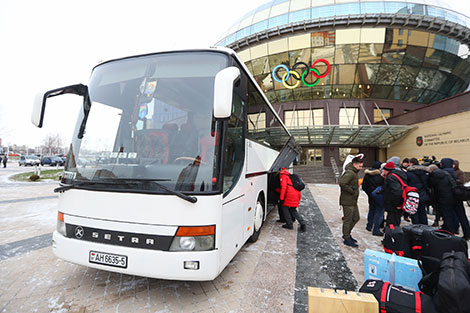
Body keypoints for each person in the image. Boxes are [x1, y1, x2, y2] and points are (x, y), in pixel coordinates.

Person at [428, 162, 459, 234]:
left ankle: (449, 231)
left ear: (431, 170)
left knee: (446, 215)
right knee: (449, 214)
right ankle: (450, 229)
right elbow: (453, 183)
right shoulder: (446, 173)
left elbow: (430, 185)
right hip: (449, 196)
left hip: (441, 197)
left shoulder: (433, 176)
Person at [339, 156, 364, 247]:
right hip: (348, 201)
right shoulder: (350, 173)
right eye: (359, 166)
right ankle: (346, 238)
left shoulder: (354, 172)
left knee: (356, 217)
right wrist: (351, 190)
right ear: (354, 164)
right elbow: (342, 183)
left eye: (361, 166)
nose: (361, 168)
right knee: (348, 220)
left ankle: (347, 234)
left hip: (352, 201)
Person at [279, 168, 306, 232]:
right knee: (292, 209)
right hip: (297, 194)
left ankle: (289, 224)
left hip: (290, 194)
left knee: (284, 207)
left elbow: (284, 188)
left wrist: (281, 198)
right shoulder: (289, 176)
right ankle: (302, 222)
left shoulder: (283, 176)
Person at [362, 161, 385, 236]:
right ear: (379, 168)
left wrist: (369, 193)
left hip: (370, 197)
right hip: (378, 196)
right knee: (379, 212)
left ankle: (369, 225)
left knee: (371, 210)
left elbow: (364, 187)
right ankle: (376, 229)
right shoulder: (379, 176)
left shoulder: (367, 175)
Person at [382, 161, 407, 227]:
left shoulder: (391, 177)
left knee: (391, 223)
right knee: (396, 221)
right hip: (400, 202)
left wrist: (397, 204)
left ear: (386, 170)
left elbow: (397, 192)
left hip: (394, 205)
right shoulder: (399, 175)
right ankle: (393, 233)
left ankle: (391, 235)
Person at [406, 158, 430, 225]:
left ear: (411, 163)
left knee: (414, 211)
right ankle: (424, 226)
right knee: (422, 211)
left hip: (413, 194)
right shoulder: (425, 172)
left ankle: (416, 227)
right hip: (423, 194)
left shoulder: (409, 173)